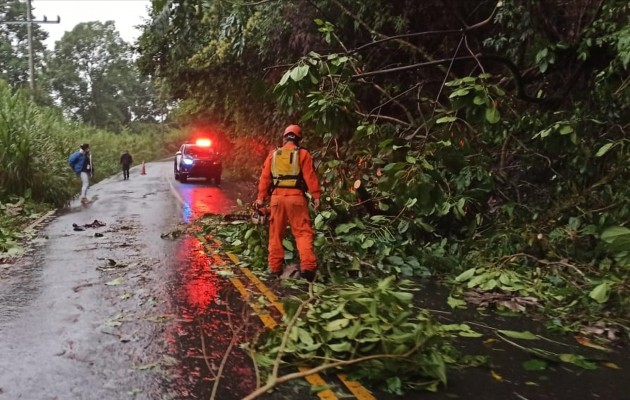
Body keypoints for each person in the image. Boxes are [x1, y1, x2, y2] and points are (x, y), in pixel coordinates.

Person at [256, 125, 321, 282]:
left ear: (284, 138)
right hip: (296, 199)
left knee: (276, 234)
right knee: (302, 233)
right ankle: (307, 268)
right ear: (299, 139)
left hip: (277, 199)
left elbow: (265, 178)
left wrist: (260, 198)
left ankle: (274, 268)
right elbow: (310, 176)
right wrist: (316, 195)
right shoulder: (303, 154)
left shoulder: (273, 154)